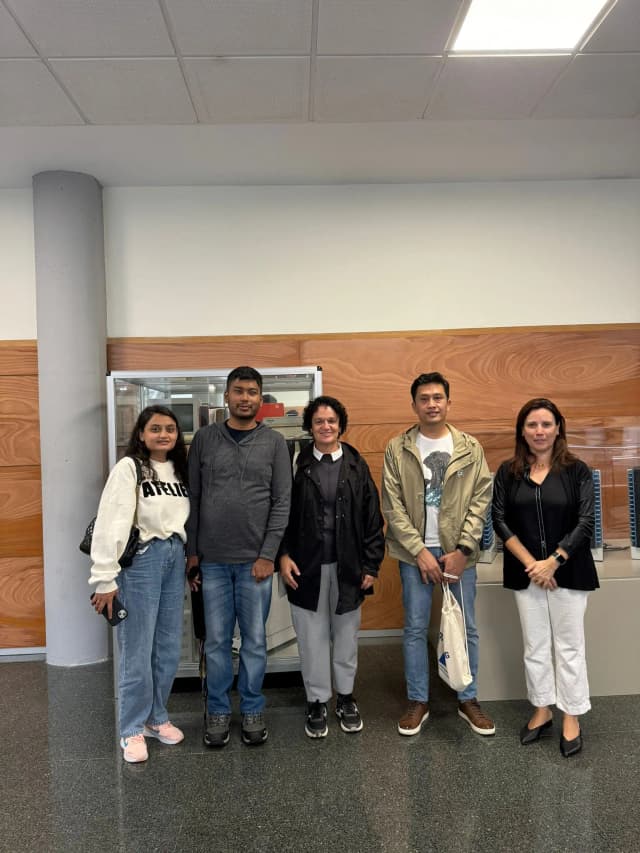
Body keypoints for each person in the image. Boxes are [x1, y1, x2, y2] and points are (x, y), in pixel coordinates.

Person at [381, 372, 495, 737]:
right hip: (414, 554)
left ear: (448, 402)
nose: (432, 403)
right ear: (413, 404)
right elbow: (392, 505)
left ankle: (468, 698)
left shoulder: (469, 447)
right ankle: (418, 700)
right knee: (415, 628)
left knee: (467, 628)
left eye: (438, 397)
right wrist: (419, 552)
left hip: (458, 553)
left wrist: (463, 550)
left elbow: (481, 500)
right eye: (424, 398)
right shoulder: (397, 448)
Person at [186, 366, 291, 748]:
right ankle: (216, 709)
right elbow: (193, 498)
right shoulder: (204, 439)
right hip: (212, 561)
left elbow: (282, 503)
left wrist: (268, 555)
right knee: (215, 642)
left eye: (252, 392)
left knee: (254, 641)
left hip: (255, 564)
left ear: (261, 398)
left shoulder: (275, 443)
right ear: (227, 396)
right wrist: (192, 553)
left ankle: (251, 707)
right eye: (238, 391)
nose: (245, 398)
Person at [492, 398, 599, 757]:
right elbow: (500, 520)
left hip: (568, 572)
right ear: (522, 431)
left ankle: (571, 714)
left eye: (546, 424)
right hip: (527, 575)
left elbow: (585, 521)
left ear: (558, 429)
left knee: (569, 647)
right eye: (532, 425)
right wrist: (534, 565)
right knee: (535, 646)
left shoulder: (577, 471)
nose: (539, 431)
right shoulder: (508, 472)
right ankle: (541, 708)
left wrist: (553, 561)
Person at [89, 405, 190, 764]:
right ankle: (131, 728)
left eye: (170, 429)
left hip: (174, 556)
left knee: (167, 646)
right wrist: (104, 578)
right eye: (156, 429)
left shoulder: (179, 470)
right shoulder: (130, 468)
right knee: (137, 648)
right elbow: (111, 521)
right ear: (142, 434)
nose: (164, 435)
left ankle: (155, 717)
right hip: (143, 560)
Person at [279, 396, 385, 738]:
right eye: (319, 421)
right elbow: (281, 515)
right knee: (311, 639)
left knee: (345, 637)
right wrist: (282, 555)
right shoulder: (296, 466)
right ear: (310, 426)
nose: (326, 426)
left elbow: (372, 519)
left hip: (349, 567)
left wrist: (371, 564)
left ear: (341, 425)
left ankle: (346, 698)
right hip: (305, 566)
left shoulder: (356, 465)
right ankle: (317, 700)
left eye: (332, 421)